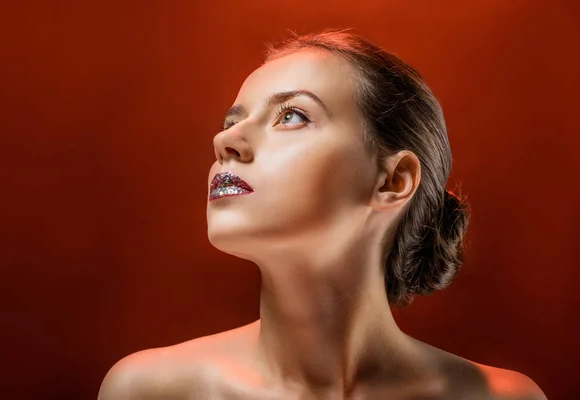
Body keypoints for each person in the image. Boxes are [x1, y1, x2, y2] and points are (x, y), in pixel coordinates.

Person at [98, 30, 547, 399]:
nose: (226, 142)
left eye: (291, 116)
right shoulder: (147, 391)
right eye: (230, 122)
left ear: (392, 181)